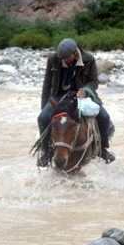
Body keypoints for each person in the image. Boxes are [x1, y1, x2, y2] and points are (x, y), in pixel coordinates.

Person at [37, 38, 115, 166]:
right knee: (42, 118)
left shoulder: (88, 59)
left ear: (75, 53)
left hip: (82, 95)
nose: (64, 60)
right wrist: (45, 106)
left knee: (104, 117)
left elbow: (94, 81)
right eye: (62, 58)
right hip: (59, 95)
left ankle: (102, 149)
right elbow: (47, 84)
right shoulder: (53, 59)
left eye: (67, 58)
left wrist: (85, 90)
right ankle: (46, 153)